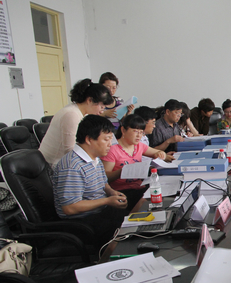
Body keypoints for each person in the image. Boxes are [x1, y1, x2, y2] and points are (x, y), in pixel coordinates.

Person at [52, 115, 129, 248]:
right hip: (81, 222)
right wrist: (107, 201)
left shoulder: (94, 158)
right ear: (89, 139)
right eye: (106, 139)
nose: (110, 144)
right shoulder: (73, 166)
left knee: (135, 216)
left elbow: (103, 183)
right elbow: (70, 208)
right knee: (127, 232)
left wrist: (112, 192)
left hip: (100, 212)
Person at [101, 114, 167, 213]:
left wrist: (160, 154)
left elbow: (157, 153)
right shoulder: (112, 149)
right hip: (122, 192)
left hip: (140, 187)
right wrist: (123, 171)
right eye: (135, 131)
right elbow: (106, 177)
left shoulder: (139, 146)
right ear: (123, 130)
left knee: (162, 193)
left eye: (141, 132)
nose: (139, 135)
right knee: (152, 198)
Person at [39, 79, 112, 166]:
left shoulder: (82, 113)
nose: (101, 111)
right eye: (101, 107)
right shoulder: (71, 114)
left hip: (66, 160)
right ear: (90, 100)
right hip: (52, 163)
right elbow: (69, 150)